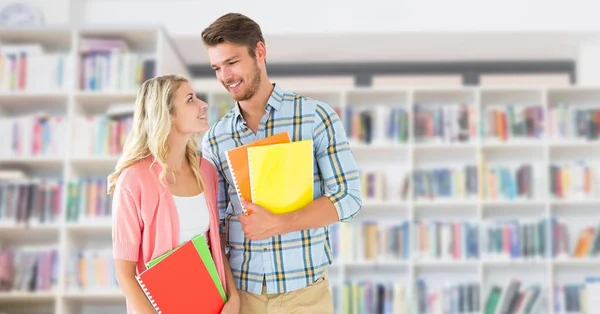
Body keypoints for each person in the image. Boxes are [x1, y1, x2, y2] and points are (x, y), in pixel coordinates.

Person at [200, 13, 363, 313]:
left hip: (305, 294)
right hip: (242, 294)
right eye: (217, 68)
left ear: (259, 52)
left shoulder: (315, 117)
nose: (225, 77)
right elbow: (216, 226)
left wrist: (281, 223)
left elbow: (349, 198)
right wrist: (228, 296)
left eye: (232, 62)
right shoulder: (215, 139)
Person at [107, 74, 240, 314]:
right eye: (190, 100)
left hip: (212, 306)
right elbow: (125, 275)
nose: (203, 104)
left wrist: (233, 299)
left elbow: (214, 246)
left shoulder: (206, 171)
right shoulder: (133, 180)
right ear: (166, 114)